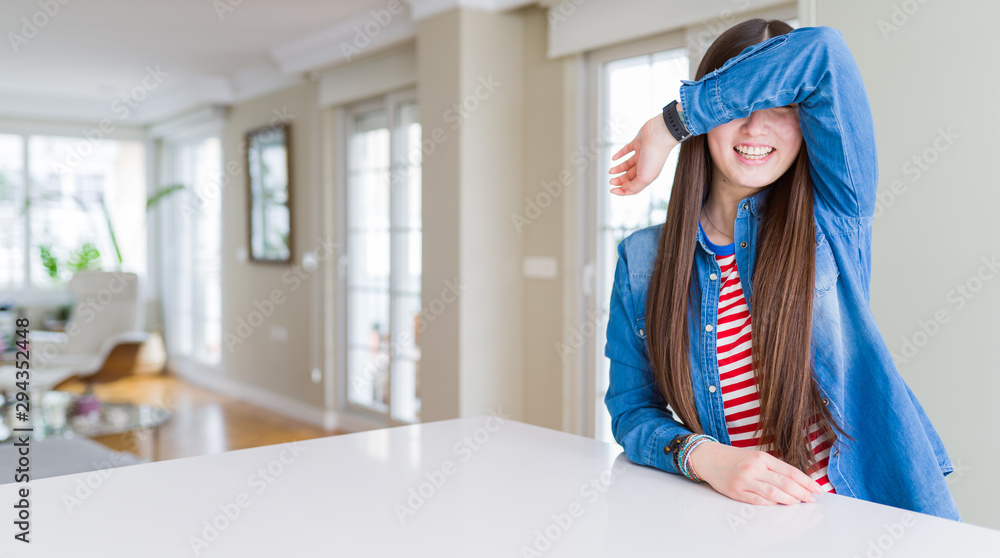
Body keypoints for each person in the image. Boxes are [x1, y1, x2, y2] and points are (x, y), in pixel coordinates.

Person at [603, 19, 961, 521]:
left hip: (867, 523)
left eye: (782, 105)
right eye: (737, 108)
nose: (755, 128)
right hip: (748, 527)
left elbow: (824, 53)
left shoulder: (836, 215)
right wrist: (707, 459)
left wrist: (669, 125)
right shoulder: (643, 259)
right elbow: (632, 410)